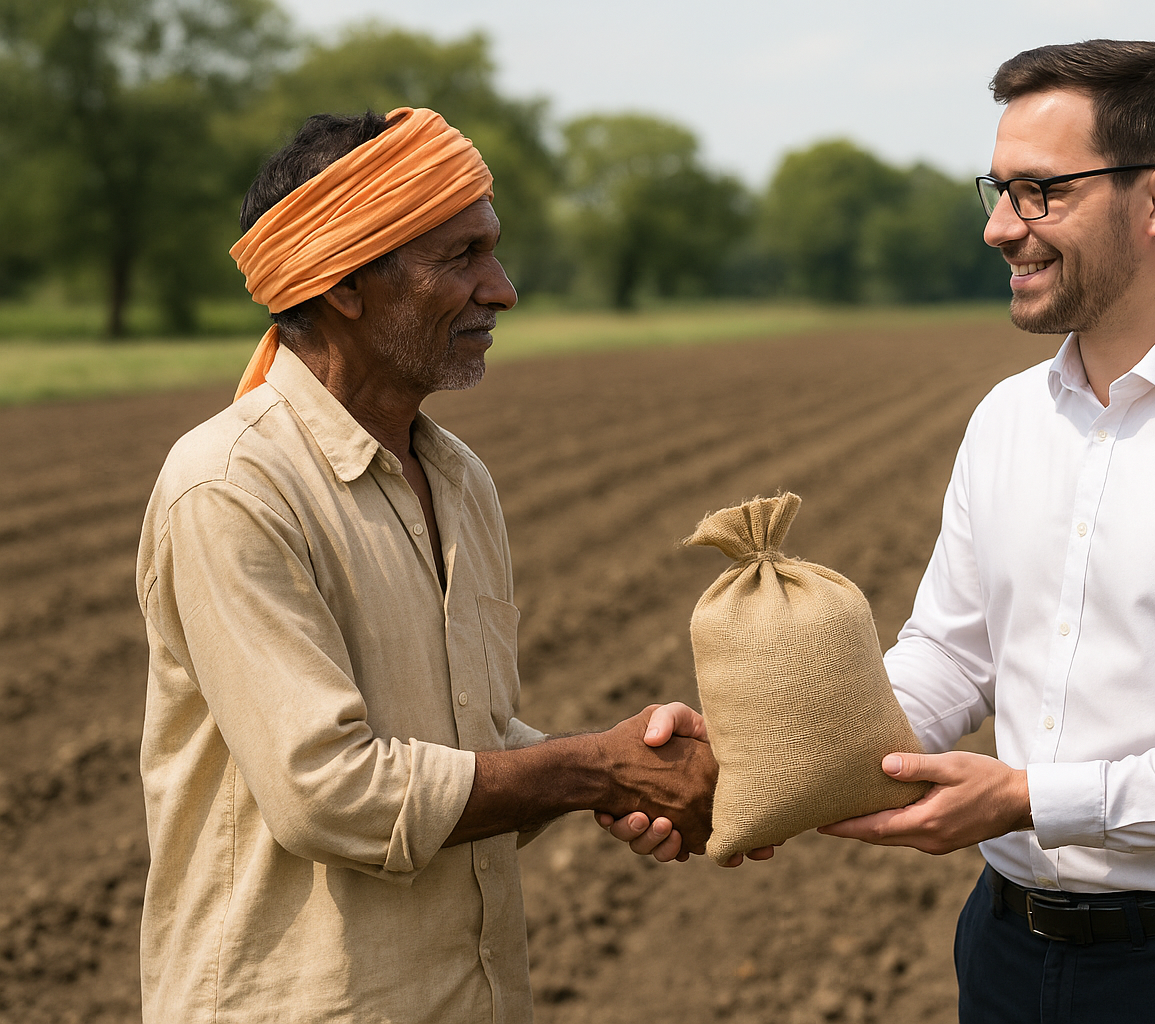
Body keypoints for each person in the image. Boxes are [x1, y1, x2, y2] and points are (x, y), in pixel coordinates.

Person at [619, 40, 1155, 1023]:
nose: (1000, 227)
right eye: (996, 190)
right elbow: (952, 656)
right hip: (1004, 951)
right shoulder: (1007, 418)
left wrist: (1037, 797)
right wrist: (753, 757)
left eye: (1040, 192)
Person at [135, 107, 722, 1024]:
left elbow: (463, 748)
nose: (503, 289)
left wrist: (632, 761)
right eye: (463, 257)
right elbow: (327, 793)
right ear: (343, 283)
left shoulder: (457, 477)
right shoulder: (230, 485)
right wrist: (595, 773)